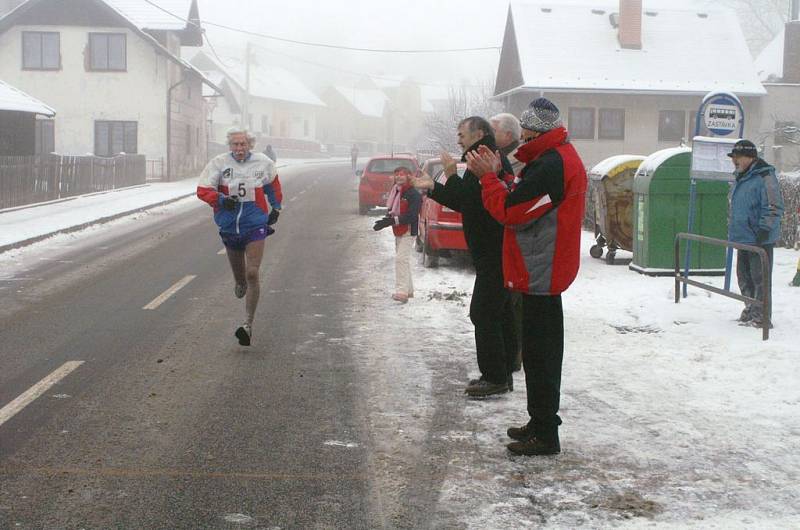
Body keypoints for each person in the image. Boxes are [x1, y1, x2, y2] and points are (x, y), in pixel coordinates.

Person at [466, 97, 587, 456]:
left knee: (541, 355)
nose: (519, 139)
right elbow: (522, 196)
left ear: (534, 130)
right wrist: (501, 176)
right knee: (536, 354)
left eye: (524, 130)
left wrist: (488, 178)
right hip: (541, 268)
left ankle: (546, 433)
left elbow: (512, 210)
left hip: (542, 270)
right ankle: (540, 422)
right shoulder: (551, 158)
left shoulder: (551, 164)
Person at [411, 116, 518, 398]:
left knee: (483, 313)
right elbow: (466, 200)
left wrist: (449, 174)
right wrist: (435, 187)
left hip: (493, 250)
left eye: (462, 134)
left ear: (479, 133)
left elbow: (469, 201)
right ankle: (503, 373)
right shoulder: (481, 155)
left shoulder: (483, 157)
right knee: (499, 313)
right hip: (490, 249)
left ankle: (495, 377)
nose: (458, 139)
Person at [197, 128, 283, 346]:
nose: (239, 148)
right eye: (235, 144)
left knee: (253, 272)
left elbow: (273, 186)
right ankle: (239, 281)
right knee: (241, 279)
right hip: (228, 226)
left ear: (249, 145)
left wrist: (276, 207)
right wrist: (220, 199)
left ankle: (247, 325)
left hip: (254, 224)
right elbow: (202, 189)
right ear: (230, 146)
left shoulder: (263, 162)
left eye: (243, 144)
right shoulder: (219, 163)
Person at [728, 139, 784, 327]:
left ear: (750, 157)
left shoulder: (764, 177)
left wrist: (764, 229)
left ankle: (762, 316)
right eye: (733, 157)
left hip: (759, 239)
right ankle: (751, 308)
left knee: (760, 279)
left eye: (738, 157)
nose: (734, 161)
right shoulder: (741, 177)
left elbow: (774, 206)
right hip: (743, 237)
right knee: (743, 277)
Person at [490, 113, 525, 372]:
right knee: (508, 303)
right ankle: (510, 353)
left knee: (516, 303)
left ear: (508, 136)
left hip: (520, 241)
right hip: (507, 241)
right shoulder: (503, 158)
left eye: (493, 130)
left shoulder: (520, 161)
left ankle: (515, 356)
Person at [372, 167, 422, 303]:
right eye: (397, 175)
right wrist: (387, 220)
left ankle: (402, 292)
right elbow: (392, 210)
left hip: (409, 230)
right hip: (398, 230)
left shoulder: (414, 194)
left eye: (402, 175)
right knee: (403, 260)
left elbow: (412, 216)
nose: (399, 177)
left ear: (409, 177)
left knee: (401, 259)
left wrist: (391, 221)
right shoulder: (396, 191)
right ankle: (409, 290)